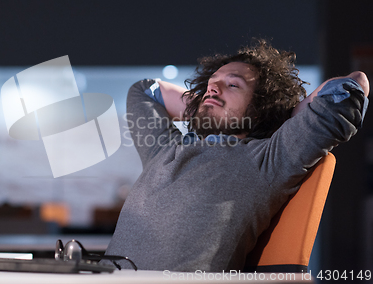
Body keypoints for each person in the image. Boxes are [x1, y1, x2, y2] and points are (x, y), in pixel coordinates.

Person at [103, 40, 369, 272]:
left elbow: (353, 85)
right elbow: (144, 90)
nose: (212, 89)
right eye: (210, 84)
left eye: (232, 84)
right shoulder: (163, 148)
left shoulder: (268, 159)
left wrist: (279, 117)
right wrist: (205, 106)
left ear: (260, 106)